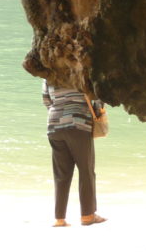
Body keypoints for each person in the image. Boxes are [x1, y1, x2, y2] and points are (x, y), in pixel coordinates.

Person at [42, 79, 107, 227]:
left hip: (54, 125)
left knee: (61, 174)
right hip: (78, 123)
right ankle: (88, 215)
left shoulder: (48, 74)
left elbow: (46, 100)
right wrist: (97, 112)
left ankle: (59, 218)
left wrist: (59, 112)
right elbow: (96, 98)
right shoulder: (80, 71)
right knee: (86, 170)